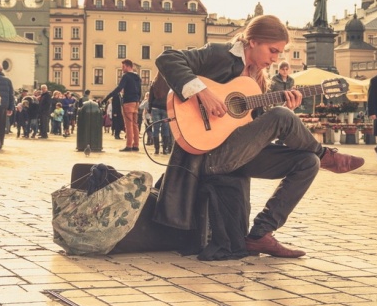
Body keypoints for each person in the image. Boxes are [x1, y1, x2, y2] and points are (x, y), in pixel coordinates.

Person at [155, 14, 364, 258]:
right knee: (280, 117)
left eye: (279, 53)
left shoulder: (258, 80)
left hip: (237, 154)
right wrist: (203, 93)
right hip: (208, 155)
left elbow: (253, 126)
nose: (275, 58)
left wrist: (286, 111)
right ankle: (328, 155)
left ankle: (261, 234)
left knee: (308, 162)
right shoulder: (219, 54)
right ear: (252, 42)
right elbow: (167, 58)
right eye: (272, 50)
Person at [103, 59, 142, 152]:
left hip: (128, 102)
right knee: (135, 124)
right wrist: (138, 100)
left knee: (128, 125)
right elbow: (140, 91)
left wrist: (107, 97)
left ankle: (129, 145)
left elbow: (119, 88)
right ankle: (136, 145)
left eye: (123, 67)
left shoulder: (126, 76)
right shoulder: (137, 77)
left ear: (128, 66)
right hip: (136, 102)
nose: (122, 69)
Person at [148, 72, 172, 155]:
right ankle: (165, 149)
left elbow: (150, 97)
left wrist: (149, 109)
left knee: (156, 129)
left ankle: (156, 149)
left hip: (155, 108)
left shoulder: (154, 83)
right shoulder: (169, 83)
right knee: (165, 129)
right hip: (166, 109)